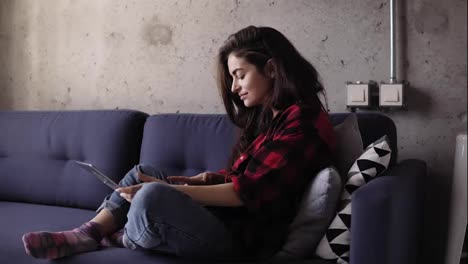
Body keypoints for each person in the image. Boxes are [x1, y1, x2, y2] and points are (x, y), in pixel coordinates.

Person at [21, 25, 336, 261]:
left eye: (240, 75)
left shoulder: (304, 121)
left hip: (242, 242)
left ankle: (123, 236)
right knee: (143, 173)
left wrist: (173, 190)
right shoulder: (272, 118)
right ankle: (87, 234)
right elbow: (247, 179)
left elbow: (250, 193)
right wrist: (201, 180)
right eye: (232, 79)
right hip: (225, 220)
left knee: (153, 196)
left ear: (271, 68)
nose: (235, 88)